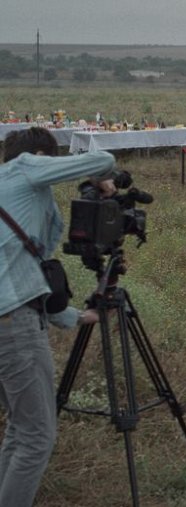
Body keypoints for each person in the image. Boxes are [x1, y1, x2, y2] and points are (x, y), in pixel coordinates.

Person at [1, 127, 111, 506]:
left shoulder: (13, 194)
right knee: (36, 438)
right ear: (40, 158)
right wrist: (97, 177)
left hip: (13, 318)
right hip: (13, 325)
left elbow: (21, 271)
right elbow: (103, 159)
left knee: (20, 429)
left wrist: (74, 316)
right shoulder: (26, 168)